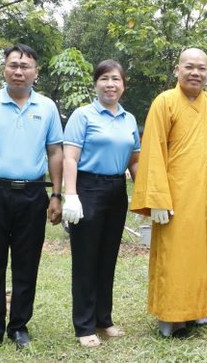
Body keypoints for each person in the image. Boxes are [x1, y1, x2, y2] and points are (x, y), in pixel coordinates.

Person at [130, 48, 207, 337]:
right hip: (175, 199)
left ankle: (202, 311)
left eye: (202, 68)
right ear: (177, 69)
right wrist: (156, 199)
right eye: (189, 67)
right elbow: (153, 151)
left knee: (205, 255)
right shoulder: (165, 102)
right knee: (175, 257)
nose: (195, 73)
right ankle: (172, 318)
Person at [0, 44, 63, 358]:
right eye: (13, 65)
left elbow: (55, 152)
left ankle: (19, 326)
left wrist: (56, 195)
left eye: (26, 66)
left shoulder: (46, 107)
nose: (19, 71)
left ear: (36, 71)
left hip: (33, 195)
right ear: (5, 68)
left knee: (26, 264)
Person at [62, 60, 141, 347]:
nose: (110, 84)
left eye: (116, 79)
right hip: (88, 187)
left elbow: (134, 161)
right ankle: (84, 326)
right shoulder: (83, 115)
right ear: (96, 83)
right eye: (105, 78)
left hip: (116, 190)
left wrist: (145, 195)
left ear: (123, 84)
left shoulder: (128, 119)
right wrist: (71, 194)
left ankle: (103, 319)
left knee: (107, 258)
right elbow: (70, 157)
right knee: (86, 260)